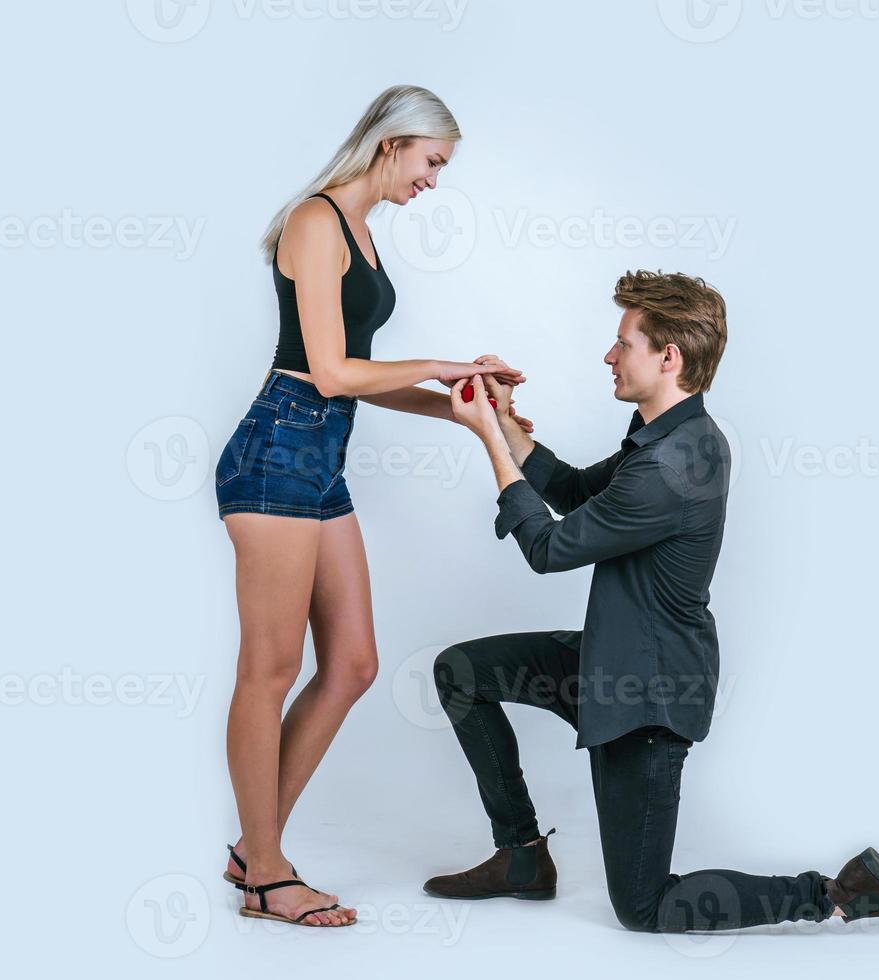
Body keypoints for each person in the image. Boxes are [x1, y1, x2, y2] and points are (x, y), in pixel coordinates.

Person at [427, 270, 879, 933]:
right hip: (611, 665)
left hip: (647, 699)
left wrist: (490, 442)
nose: (609, 356)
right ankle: (523, 856)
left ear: (669, 358)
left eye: (623, 344)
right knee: (461, 672)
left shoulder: (670, 468)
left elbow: (548, 549)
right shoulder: (669, 441)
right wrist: (508, 427)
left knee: (645, 907)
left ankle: (838, 892)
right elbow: (580, 493)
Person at [214, 84, 532, 929]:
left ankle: (255, 846)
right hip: (276, 452)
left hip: (320, 461)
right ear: (393, 143)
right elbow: (327, 373)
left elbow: (359, 379)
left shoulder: (361, 231)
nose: (434, 181)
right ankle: (267, 872)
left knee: (352, 664)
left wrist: (472, 410)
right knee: (271, 670)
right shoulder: (316, 221)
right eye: (432, 162)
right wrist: (437, 361)